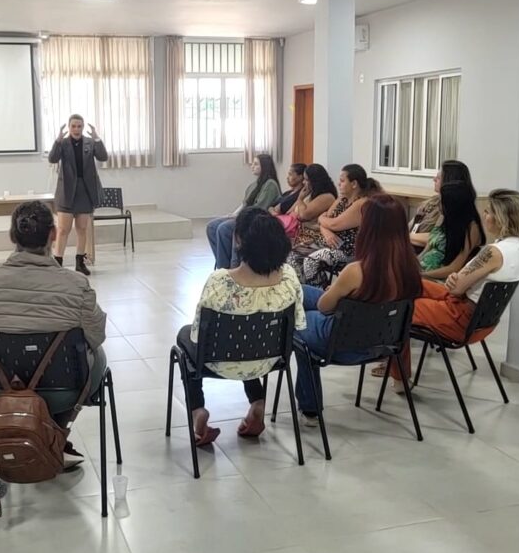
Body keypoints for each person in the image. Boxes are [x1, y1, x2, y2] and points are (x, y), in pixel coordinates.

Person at [0, 200, 107, 461]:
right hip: (64, 392)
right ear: (53, 234)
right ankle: (55, 435)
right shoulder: (76, 284)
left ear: (12, 235)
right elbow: (97, 335)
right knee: (97, 354)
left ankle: (11, 425)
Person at [179, 208, 305, 446]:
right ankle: (257, 401)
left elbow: (198, 336)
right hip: (270, 359)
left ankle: (197, 410)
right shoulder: (289, 277)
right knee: (251, 334)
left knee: (185, 337)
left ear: (238, 240)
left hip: (218, 361)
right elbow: (299, 323)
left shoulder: (220, 281)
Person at [294, 194, 422, 419]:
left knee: (297, 321)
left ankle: (310, 408)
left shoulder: (357, 271)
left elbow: (324, 307)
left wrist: (335, 294)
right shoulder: (412, 267)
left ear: (370, 229)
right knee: (299, 292)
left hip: (345, 343)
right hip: (385, 342)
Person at [391, 189, 519, 389]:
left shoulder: (494, 252)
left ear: (502, 219)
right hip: (481, 321)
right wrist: (457, 280)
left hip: (459, 317)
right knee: (411, 284)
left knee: (400, 308)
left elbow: (456, 287)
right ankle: (394, 364)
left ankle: (399, 376)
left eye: (489, 212)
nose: (484, 215)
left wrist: (456, 280)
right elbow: (458, 283)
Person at [48, 113, 108, 275]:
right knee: (63, 230)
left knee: (82, 228)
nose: (76, 129)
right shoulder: (63, 143)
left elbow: (103, 157)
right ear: (69, 127)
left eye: (79, 126)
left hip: (85, 191)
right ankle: (58, 263)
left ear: (82, 127)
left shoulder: (90, 142)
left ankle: (80, 262)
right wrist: (57, 141)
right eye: (73, 126)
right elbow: (52, 159)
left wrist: (97, 139)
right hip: (66, 191)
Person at [206, 153, 281, 269]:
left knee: (224, 228)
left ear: (264, 166)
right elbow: (245, 203)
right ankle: (222, 263)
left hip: (254, 220)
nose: (252, 166)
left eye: (256, 164)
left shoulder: (270, 184)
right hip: (244, 215)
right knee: (211, 226)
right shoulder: (254, 184)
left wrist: (239, 217)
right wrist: (233, 214)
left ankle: (227, 267)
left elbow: (259, 208)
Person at [418, 181, 485, 279]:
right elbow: (428, 248)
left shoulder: (471, 228)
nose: (438, 204)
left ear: (454, 204)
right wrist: (413, 265)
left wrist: (423, 275)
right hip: (422, 270)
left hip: (440, 277)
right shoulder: (443, 217)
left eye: (442, 201)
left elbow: (454, 268)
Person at [410, 160, 476, 249]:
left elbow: (440, 238)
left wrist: (403, 237)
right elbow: (410, 226)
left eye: (438, 178)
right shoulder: (431, 202)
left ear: (449, 182)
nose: (434, 179)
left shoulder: (455, 209)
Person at [285, 164, 338, 272]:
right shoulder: (310, 194)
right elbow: (290, 212)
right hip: (300, 235)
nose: (304, 182)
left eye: (306, 179)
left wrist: (300, 199)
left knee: (289, 255)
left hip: (315, 238)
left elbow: (303, 215)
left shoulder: (327, 197)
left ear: (315, 181)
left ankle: (300, 281)